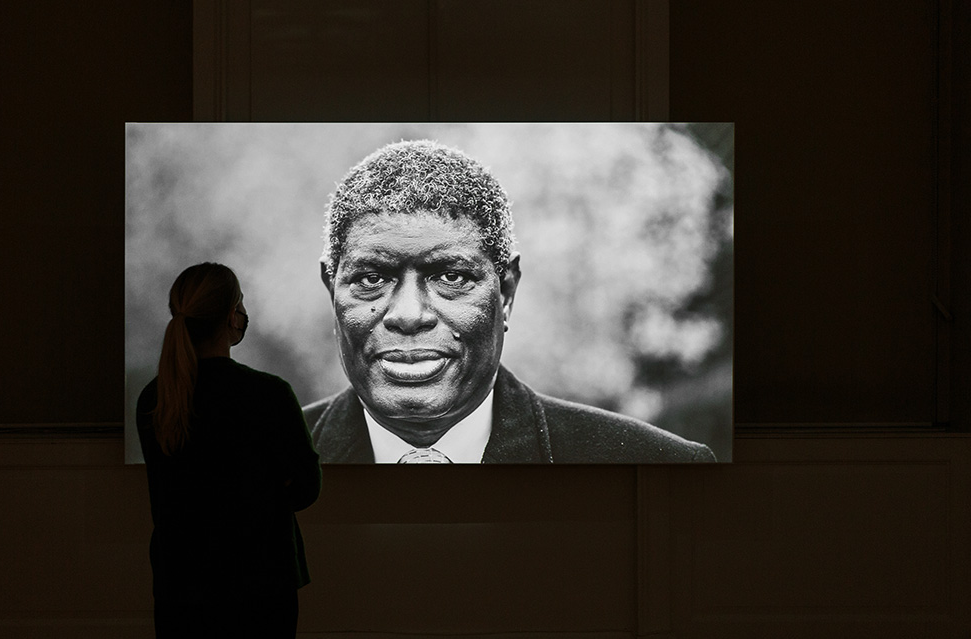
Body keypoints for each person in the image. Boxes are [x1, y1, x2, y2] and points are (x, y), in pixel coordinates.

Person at [303, 139, 716, 463]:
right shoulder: (247, 471)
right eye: (372, 278)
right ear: (331, 289)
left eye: (452, 277)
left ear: (506, 293)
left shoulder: (654, 463)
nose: (409, 315)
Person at [136, 262, 321, 639]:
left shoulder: (154, 398)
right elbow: (306, 488)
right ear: (231, 317)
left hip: (182, 583)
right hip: (262, 585)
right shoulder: (269, 395)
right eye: (239, 304)